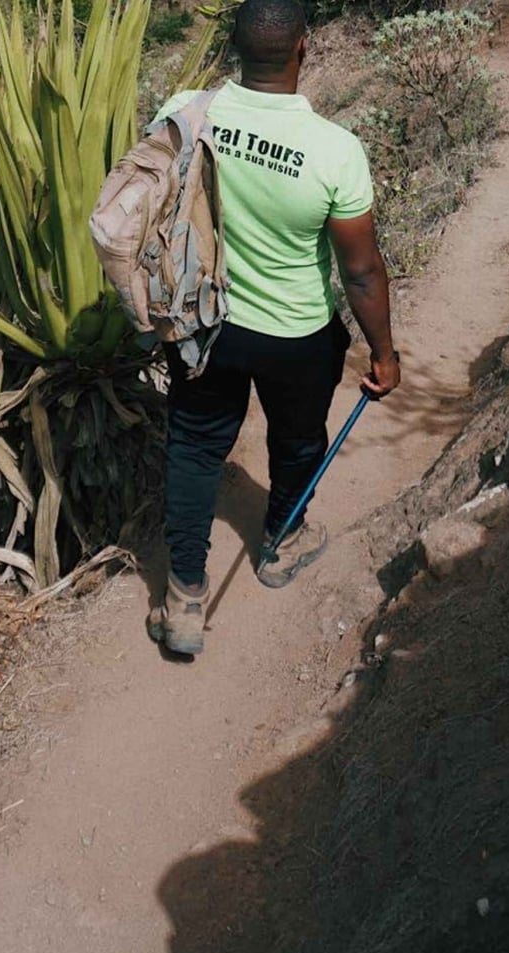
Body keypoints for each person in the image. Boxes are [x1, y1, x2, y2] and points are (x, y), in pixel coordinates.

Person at [151, 0, 401, 656]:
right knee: (296, 440)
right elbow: (363, 270)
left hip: (205, 321)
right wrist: (384, 354)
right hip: (296, 335)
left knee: (196, 446)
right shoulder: (335, 151)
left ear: (234, 48)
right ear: (304, 48)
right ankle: (282, 541)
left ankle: (182, 598)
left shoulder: (184, 111)